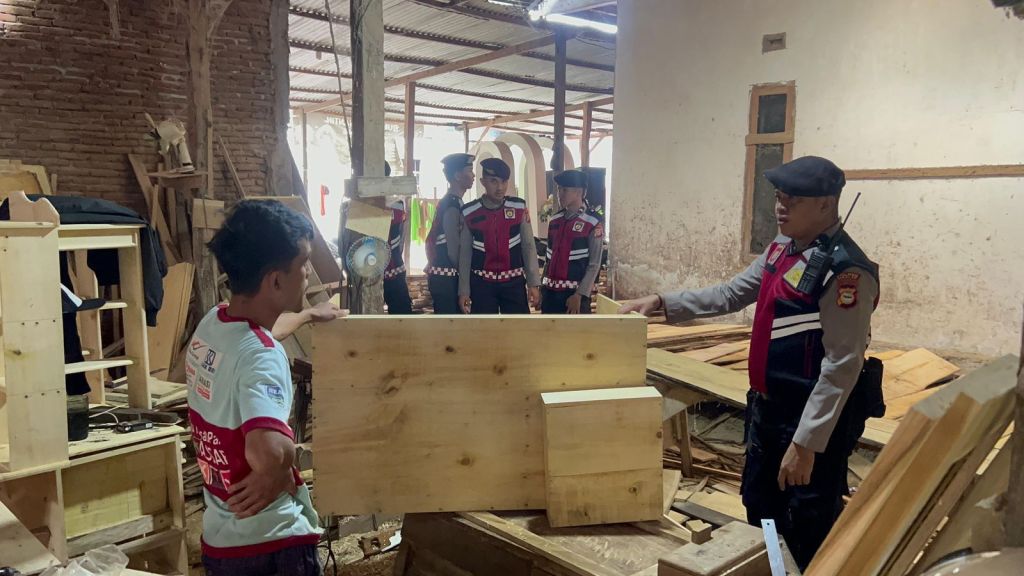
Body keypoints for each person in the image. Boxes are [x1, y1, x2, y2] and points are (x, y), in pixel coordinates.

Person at [618, 156, 880, 569]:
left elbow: (842, 364)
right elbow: (730, 293)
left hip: (807, 422)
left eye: (792, 200)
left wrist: (806, 445)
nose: (780, 207)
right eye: (778, 197)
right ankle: (774, 568)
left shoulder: (846, 272)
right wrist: (661, 302)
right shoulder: (782, 249)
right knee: (762, 509)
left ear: (826, 205)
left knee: (807, 521)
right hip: (767, 411)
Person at [188, 200, 326, 575]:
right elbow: (268, 453)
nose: (308, 272)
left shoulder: (215, 323)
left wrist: (308, 315)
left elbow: (261, 333)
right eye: (303, 263)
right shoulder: (263, 357)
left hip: (223, 538)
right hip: (272, 545)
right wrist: (280, 466)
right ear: (276, 281)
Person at [458, 158, 541, 314]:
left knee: (518, 327)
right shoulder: (470, 212)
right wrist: (464, 291)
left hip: (514, 283)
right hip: (482, 285)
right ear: (483, 182)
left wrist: (533, 283)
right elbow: (465, 255)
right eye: (493, 181)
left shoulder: (518, 208)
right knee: (484, 328)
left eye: (504, 181)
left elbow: (528, 247)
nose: (500, 187)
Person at [541, 169, 604, 314]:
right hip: (550, 294)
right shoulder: (555, 221)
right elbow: (548, 259)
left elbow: (594, 265)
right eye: (559, 189)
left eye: (565, 190)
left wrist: (579, 295)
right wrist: (542, 287)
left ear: (578, 192)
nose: (560, 194)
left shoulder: (592, 223)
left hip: (574, 297)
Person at [425, 153, 474, 314]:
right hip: (447, 279)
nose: (473, 175)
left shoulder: (452, 202)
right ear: (458, 176)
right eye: (469, 170)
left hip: (445, 277)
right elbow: (454, 250)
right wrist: (465, 278)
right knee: (451, 324)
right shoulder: (452, 205)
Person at [381, 161, 413, 314]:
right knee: (402, 314)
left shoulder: (357, 209)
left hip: (377, 270)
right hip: (394, 268)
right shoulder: (398, 205)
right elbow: (401, 240)